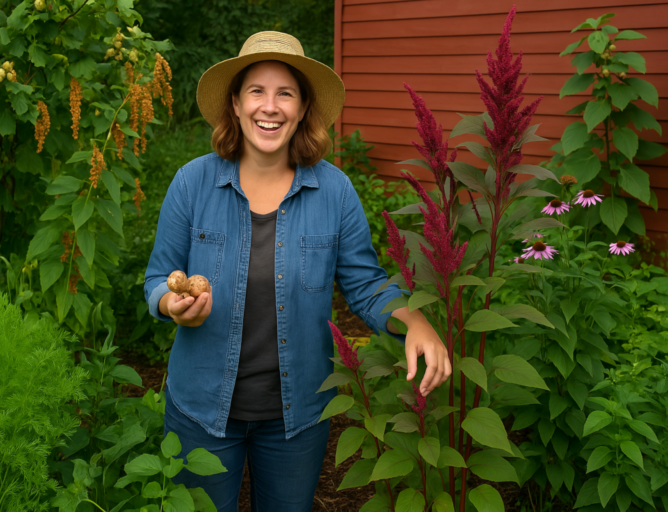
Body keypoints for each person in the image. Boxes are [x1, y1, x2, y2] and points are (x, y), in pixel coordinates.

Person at [143, 31, 451, 512]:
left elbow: (366, 286)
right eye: (256, 91)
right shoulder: (192, 183)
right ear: (236, 104)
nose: (270, 106)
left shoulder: (335, 192)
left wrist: (414, 320)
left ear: (304, 107)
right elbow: (159, 276)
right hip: (200, 408)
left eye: (285, 92)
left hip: (297, 416)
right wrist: (172, 304)